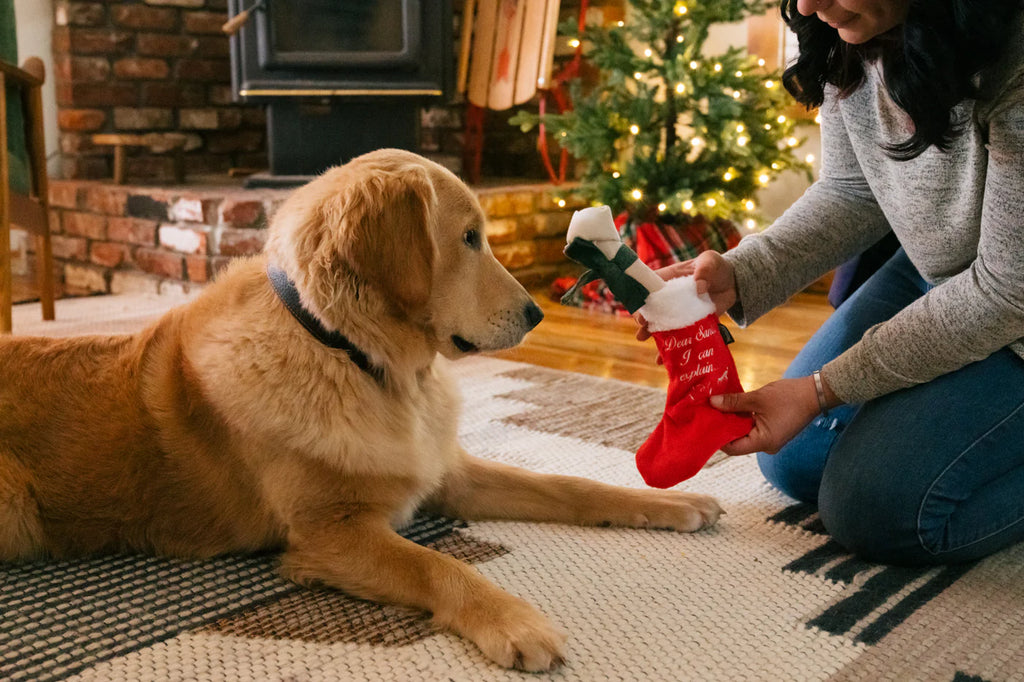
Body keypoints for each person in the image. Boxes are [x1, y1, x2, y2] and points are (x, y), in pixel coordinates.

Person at [639, 0, 1024, 566]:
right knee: (792, 461)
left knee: (875, 512)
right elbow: (852, 189)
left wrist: (822, 388)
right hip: (938, 272)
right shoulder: (851, 33)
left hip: (1011, 301)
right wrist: (743, 272)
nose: (808, 6)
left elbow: (1005, 292)